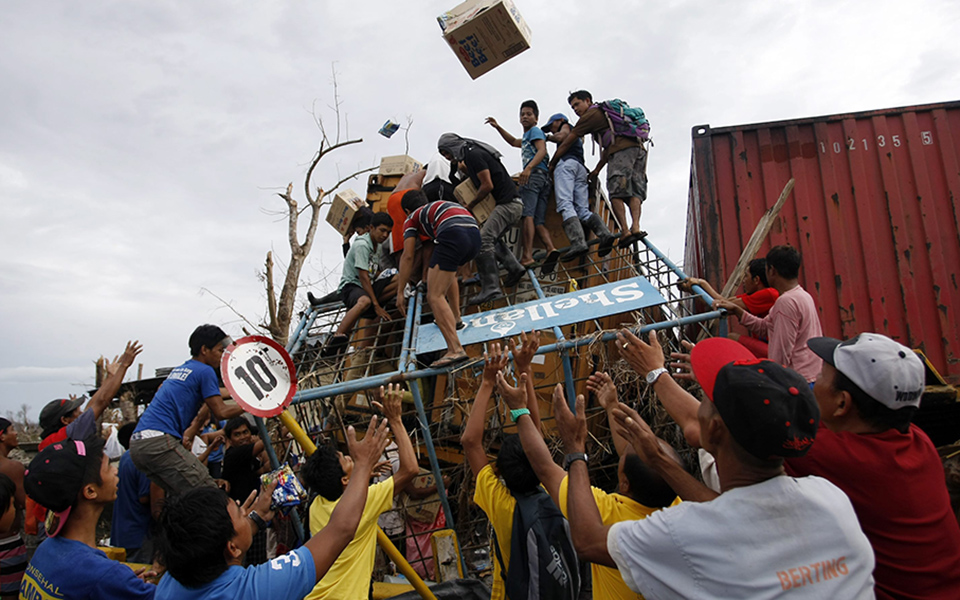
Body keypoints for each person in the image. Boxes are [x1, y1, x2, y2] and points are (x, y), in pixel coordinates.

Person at [556, 336, 876, 599]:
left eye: (706, 402)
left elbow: (588, 541)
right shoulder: (831, 499)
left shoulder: (684, 532)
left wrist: (575, 450)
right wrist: (660, 461)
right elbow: (734, 516)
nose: (699, 408)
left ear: (714, 430)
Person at [788, 333, 960, 599]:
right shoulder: (918, 441)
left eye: (821, 376)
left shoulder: (830, 456)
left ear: (842, 403)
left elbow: (721, 436)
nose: (814, 382)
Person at [152, 416, 390, 599]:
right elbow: (341, 529)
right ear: (232, 548)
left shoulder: (171, 582)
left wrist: (254, 519)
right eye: (239, 514)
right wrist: (363, 465)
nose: (243, 507)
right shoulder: (256, 589)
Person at [497, 365, 680, 600]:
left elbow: (544, 468)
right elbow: (640, 457)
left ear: (624, 484)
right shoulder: (677, 504)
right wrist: (612, 405)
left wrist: (519, 411)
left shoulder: (609, 516)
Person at [299, 384, 417, 600]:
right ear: (345, 479)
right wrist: (396, 420)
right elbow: (410, 469)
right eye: (347, 459)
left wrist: (364, 472)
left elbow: (347, 490)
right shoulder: (365, 502)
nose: (350, 458)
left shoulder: (318, 503)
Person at [27, 340, 143, 538]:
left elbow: (98, 399)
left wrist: (110, 377)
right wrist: (124, 366)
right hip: (59, 518)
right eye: (77, 412)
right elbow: (101, 401)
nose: (83, 414)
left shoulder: (49, 444)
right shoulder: (69, 436)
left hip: (45, 517)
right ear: (65, 420)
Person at [460, 340, 546, 600]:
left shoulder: (502, 507)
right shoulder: (552, 491)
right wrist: (525, 370)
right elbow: (537, 439)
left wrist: (487, 382)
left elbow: (469, 441)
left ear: (498, 471)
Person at [21, 438, 157, 599]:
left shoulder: (45, 550)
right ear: (90, 491)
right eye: (107, 466)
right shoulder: (102, 574)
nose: (115, 471)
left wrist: (122, 586)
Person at [130, 325, 244, 494]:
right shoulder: (206, 371)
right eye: (220, 351)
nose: (222, 356)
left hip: (139, 445)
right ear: (204, 350)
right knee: (208, 494)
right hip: (159, 441)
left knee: (186, 498)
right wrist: (250, 404)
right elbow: (221, 411)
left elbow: (216, 393)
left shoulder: (185, 369)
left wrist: (242, 389)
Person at [550, 91, 647, 247]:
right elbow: (608, 148)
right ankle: (635, 227)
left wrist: (553, 162)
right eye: (572, 106)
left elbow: (567, 142)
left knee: (616, 192)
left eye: (577, 104)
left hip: (621, 153)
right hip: (639, 150)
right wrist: (597, 170)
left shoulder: (590, 115)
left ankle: (625, 231)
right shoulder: (605, 115)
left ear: (587, 100)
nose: (575, 109)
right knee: (634, 191)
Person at [437, 132, 525, 305]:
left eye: (446, 152)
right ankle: (514, 267)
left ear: (453, 146)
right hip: (512, 204)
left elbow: (487, 185)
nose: (447, 157)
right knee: (492, 239)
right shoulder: (472, 154)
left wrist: (470, 205)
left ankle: (490, 287)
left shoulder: (473, 155)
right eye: (443, 155)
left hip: (508, 205)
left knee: (482, 240)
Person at [395, 191, 480, 368]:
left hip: (453, 233)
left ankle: (455, 349)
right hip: (474, 235)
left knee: (434, 296)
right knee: (448, 275)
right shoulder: (440, 206)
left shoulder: (411, 218)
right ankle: (456, 318)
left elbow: (408, 256)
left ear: (407, 209)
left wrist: (400, 291)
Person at [715, 245, 822, 382]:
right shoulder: (803, 295)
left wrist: (774, 383)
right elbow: (765, 327)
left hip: (799, 380)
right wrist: (738, 312)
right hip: (811, 375)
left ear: (772, 270)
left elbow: (781, 352)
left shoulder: (786, 302)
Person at [486, 100, 562, 273]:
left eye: (529, 114)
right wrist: (498, 127)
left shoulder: (535, 131)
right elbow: (513, 141)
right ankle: (551, 248)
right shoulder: (528, 136)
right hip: (544, 179)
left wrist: (527, 169)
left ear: (536, 118)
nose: (525, 117)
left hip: (534, 176)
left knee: (527, 214)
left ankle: (527, 255)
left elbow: (542, 151)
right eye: (522, 114)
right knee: (538, 220)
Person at [542, 113, 619, 260]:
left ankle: (578, 242)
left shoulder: (566, 127)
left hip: (566, 165)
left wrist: (546, 138)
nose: (551, 130)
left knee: (565, 203)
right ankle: (605, 234)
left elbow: (561, 137)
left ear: (560, 120)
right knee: (582, 210)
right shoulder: (577, 135)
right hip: (580, 168)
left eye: (552, 126)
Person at [322, 212, 397, 355]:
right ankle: (337, 336)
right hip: (352, 286)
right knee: (364, 300)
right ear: (371, 228)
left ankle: (370, 308)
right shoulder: (362, 245)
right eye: (382, 230)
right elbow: (363, 276)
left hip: (367, 286)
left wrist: (386, 275)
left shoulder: (378, 246)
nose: (385, 235)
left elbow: (371, 272)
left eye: (388, 232)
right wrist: (376, 305)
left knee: (398, 279)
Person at [682, 257, 779, 356]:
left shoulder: (769, 294)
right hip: (768, 346)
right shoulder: (753, 295)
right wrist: (694, 290)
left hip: (775, 349)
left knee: (731, 339)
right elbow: (721, 301)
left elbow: (721, 303)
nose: (743, 281)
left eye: (746, 276)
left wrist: (702, 283)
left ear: (756, 280)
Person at [112, 423, 164, 564]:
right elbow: (144, 497)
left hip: (124, 530)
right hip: (139, 532)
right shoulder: (141, 458)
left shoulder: (126, 457)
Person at [220, 417, 270, 566]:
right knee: (249, 563)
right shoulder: (233, 455)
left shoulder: (249, 458)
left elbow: (266, 468)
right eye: (237, 434)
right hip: (241, 520)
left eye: (245, 432)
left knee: (258, 560)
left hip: (254, 514)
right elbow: (266, 441)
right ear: (229, 439)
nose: (243, 437)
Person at [0, 420, 25, 598]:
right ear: (1, 436)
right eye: (11, 430)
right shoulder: (13, 468)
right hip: (8, 545)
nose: (15, 433)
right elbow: (24, 503)